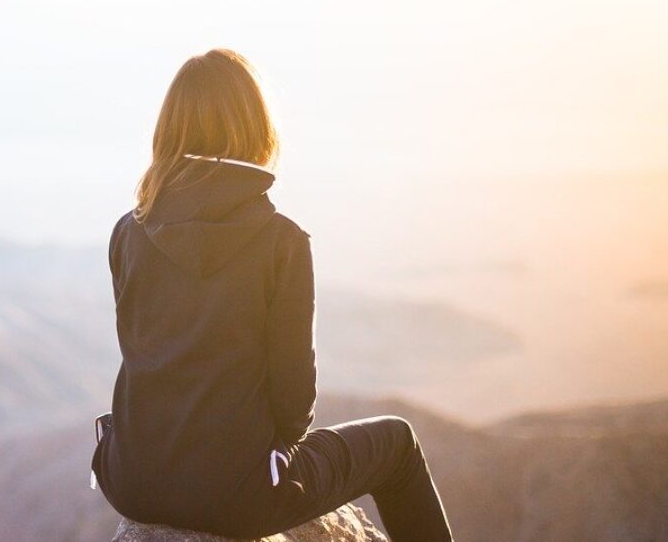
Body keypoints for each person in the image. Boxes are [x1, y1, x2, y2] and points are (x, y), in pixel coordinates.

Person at [90, 48, 455, 541]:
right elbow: (294, 402)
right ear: (255, 128)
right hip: (238, 498)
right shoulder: (281, 242)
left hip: (132, 481)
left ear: (168, 131)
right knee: (398, 443)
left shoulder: (127, 233)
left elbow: (147, 357)